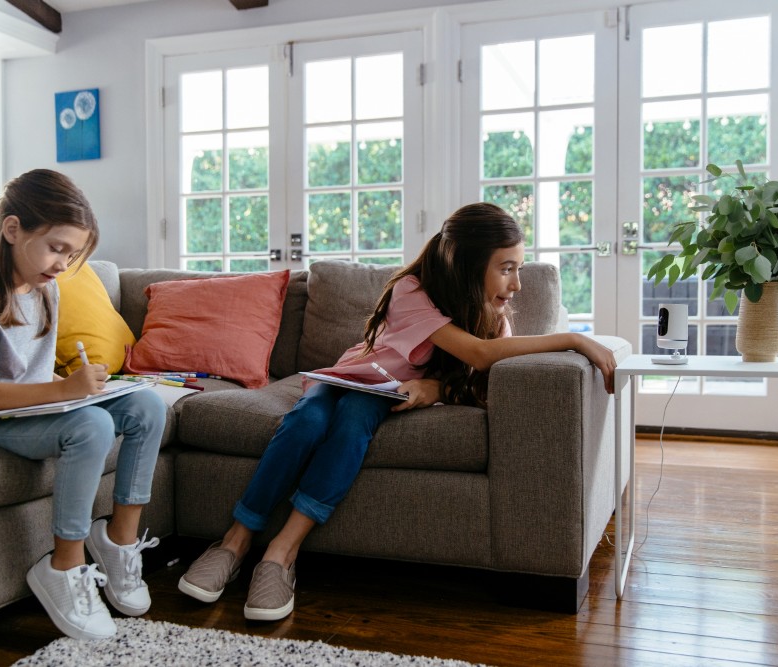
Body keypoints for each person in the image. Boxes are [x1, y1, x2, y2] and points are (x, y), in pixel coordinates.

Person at [177, 201, 617, 622]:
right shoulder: (412, 290)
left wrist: (435, 387)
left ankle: (280, 555)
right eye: (506, 269)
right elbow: (479, 356)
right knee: (307, 420)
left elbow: (481, 381)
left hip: (379, 395)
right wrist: (574, 338)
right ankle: (233, 543)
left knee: (353, 422)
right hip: (349, 375)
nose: (517, 284)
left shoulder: (495, 321)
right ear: (465, 264)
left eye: (518, 268)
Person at [0, 169, 167, 641]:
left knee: (147, 407)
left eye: (72, 254)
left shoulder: (46, 288)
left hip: (31, 407)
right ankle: (65, 565)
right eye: (56, 248)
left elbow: (34, 371)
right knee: (93, 427)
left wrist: (75, 384)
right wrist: (65, 391)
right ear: (13, 230)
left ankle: (117, 540)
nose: (62, 264)